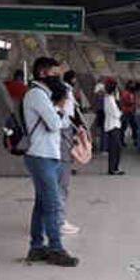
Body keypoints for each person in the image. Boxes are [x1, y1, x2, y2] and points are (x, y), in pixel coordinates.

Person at [23, 57, 78, 267]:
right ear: (43, 73)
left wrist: (63, 102)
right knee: (53, 204)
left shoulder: (46, 95)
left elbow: (64, 122)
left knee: (41, 203)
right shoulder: (36, 94)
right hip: (40, 155)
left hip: (49, 154)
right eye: (55, 74)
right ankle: (56, 248)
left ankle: (36, 246)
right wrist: (61, 105)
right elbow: (55, 124)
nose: (59, 78)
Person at [58, 70, 81, 236]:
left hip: (64, 133)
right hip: (62, 133)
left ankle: (55, 220)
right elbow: (66, 116)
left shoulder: (66, 91)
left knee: (59, 182)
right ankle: (59, 221)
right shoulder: (63, 91)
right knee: (61, 183)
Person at [103, 79, 124, 175]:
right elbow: (116, 113)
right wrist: (121, 112)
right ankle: (113, 168)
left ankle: (114, 167)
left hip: (113, 125)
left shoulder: (109, 98)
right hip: (113, 125)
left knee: (115, 147)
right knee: (115, 148)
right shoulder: (110, 100)